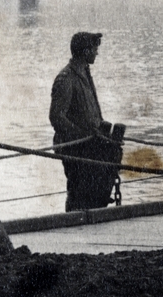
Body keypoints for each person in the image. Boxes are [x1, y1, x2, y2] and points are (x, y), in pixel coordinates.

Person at [50, 31, 124, 212]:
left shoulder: (84, 74)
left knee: (97, 190)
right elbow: (56, 117)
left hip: (91, 145)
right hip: (76, 147)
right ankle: (76, 221)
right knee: (79, 193)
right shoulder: (66, 78)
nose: (97, 53)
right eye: (94, 49)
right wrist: (82, 135)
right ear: (85, 52)